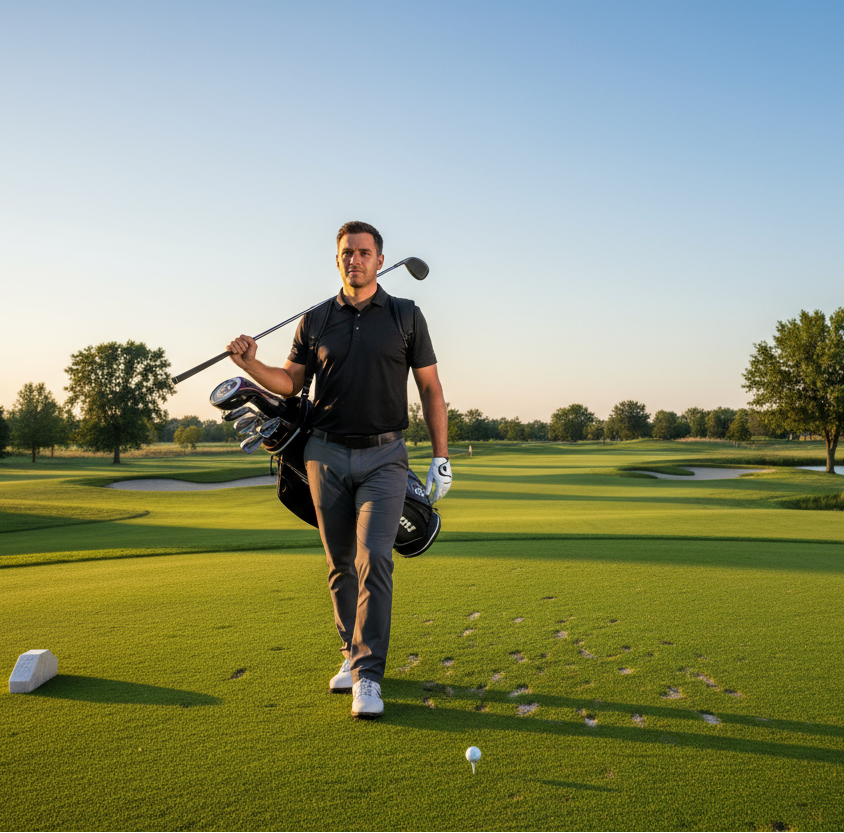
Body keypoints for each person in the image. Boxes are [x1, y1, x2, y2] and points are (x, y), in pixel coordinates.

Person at [226, 221, 451, 719]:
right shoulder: (316, 319)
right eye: (347, 253)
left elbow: (431, 389)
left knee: (376, 558)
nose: (356, 259)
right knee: (340, 564)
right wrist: (251, 366)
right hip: (323, 453)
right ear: (337, 260)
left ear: (379, 259)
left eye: (365, 252)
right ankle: (350, 655)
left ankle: (368, 677)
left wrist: (441, 456)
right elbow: (289, 383)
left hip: (385, 455)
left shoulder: (406, 316)